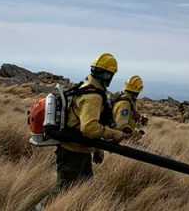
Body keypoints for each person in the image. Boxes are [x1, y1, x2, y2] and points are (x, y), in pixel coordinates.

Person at [39, 53, 131, 210]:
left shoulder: (86, 87)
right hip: (73, 153)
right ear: (107, 75)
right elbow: (89, 128)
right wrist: (115, 134)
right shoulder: (94, 96)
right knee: (63, 192)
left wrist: (96, 149)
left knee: (85, 191)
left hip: (79, 150)